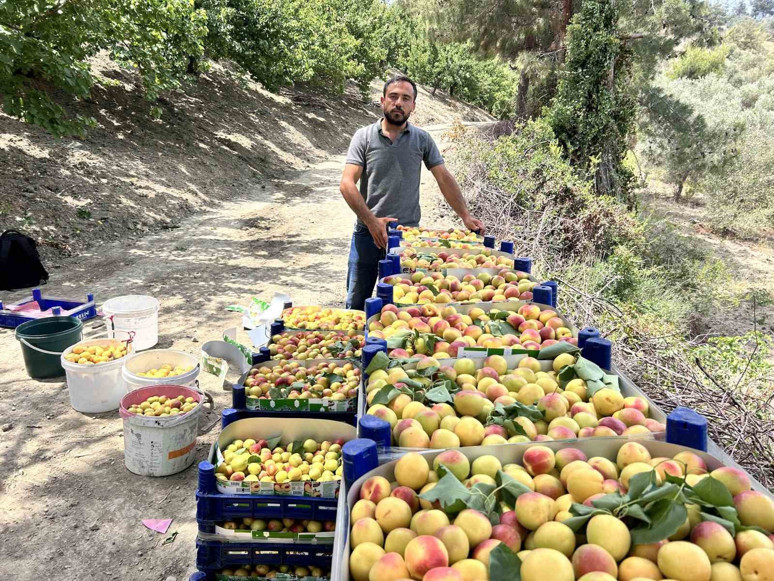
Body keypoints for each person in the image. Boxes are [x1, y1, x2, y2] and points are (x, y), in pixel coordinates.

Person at [340, 75, 486, 310]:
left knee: (401, 307)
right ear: (382, 100)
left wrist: (465, 216)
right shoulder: (364, 136)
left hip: (407, 239)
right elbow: (347, 184)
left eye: (406, 98)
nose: (399, 103)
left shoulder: (422, 139)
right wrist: (371, 221)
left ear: (413, 106)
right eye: (393, 96)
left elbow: (443, 178)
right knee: (357, 305)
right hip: (367, 235)